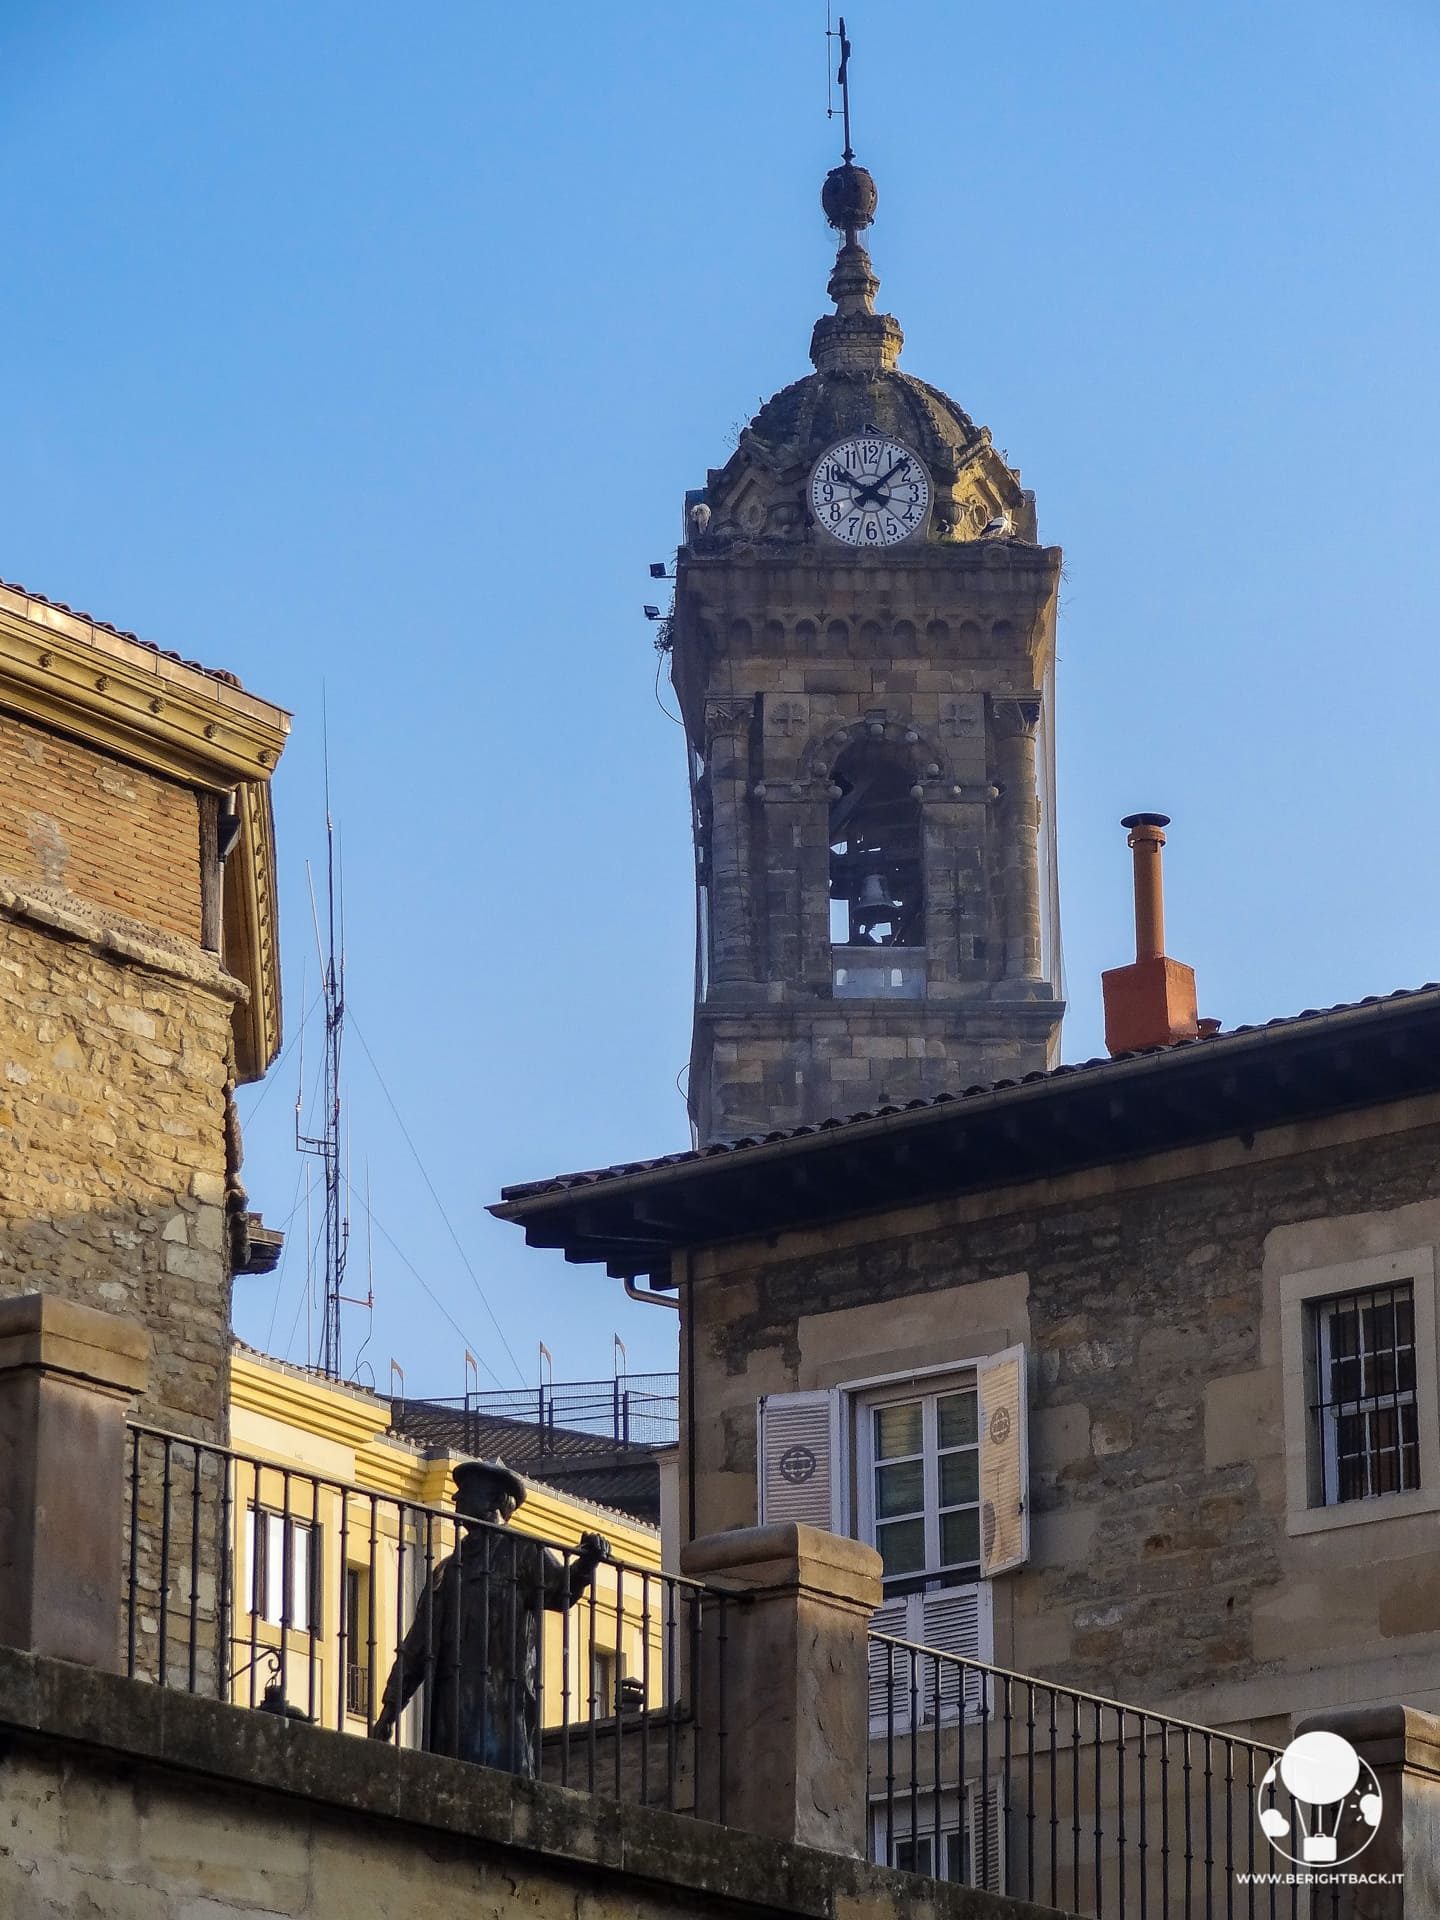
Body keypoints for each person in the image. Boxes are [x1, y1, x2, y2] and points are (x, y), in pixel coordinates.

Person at [370, 1458, 611, 1775]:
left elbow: (560, 1591)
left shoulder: (523, 1551)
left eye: (466, 1491)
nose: (455, 1499)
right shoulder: (447, 1569)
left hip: (502, 1704)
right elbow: (418, 1643)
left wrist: (586, 1564)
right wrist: (389, 1712)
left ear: (497, 1500)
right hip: (451, 1705)